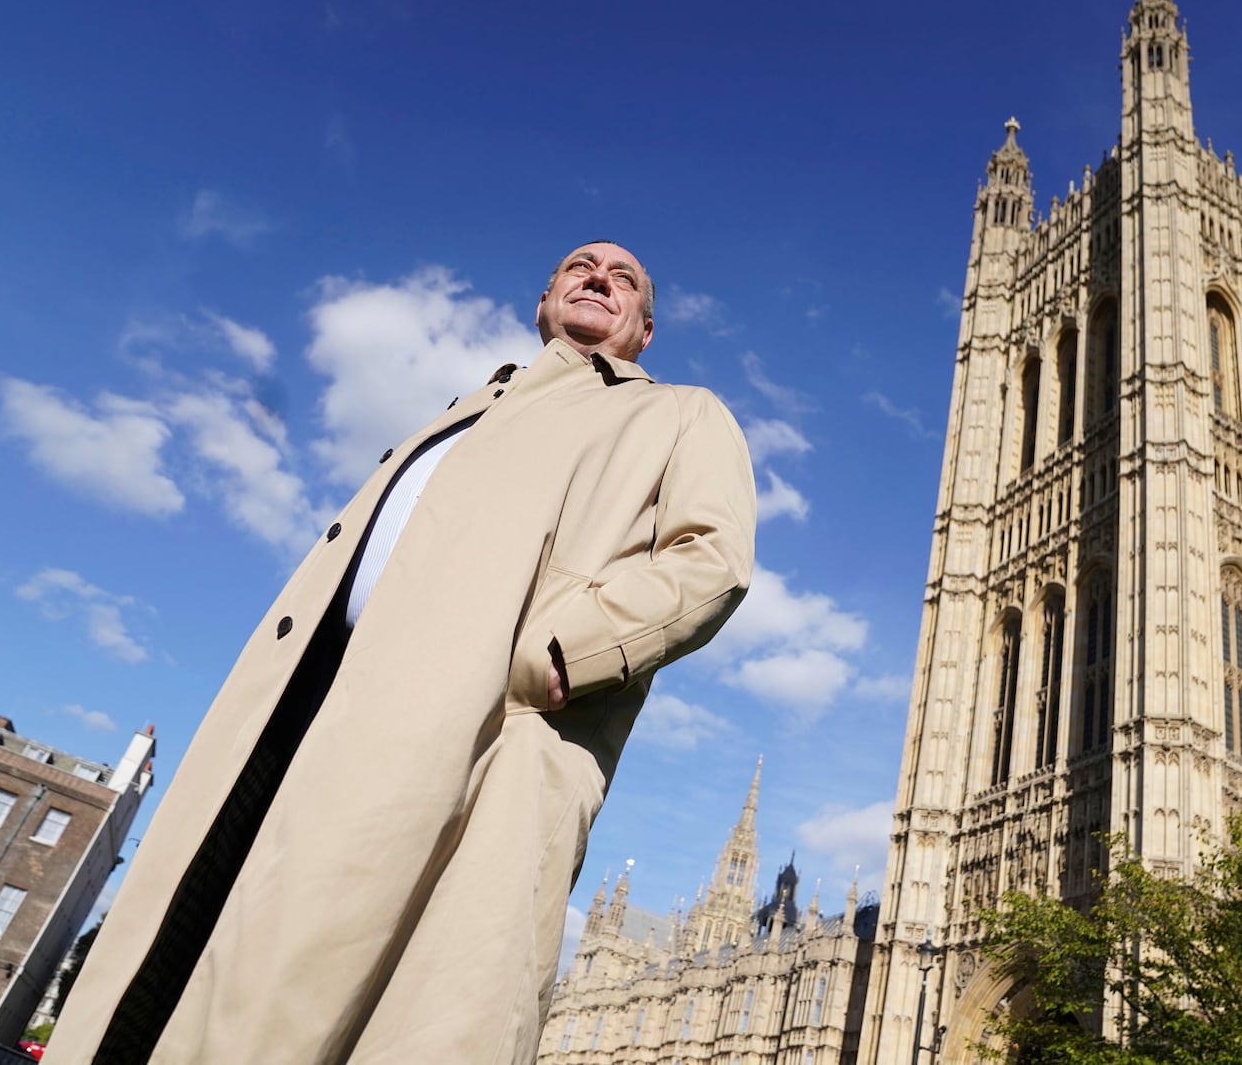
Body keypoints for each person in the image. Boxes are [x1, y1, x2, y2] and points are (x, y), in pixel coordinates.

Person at [46, 241, 757, 1064]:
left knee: (347, 988)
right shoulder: (473, 406)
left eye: (623, 278)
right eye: (578, 267)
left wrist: (564, 651)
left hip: (479, 726)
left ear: (646, 330)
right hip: (311, 696)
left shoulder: (677, 413)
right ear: (541, 304)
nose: (598, 276)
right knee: (188, 942)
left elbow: (712, 559)